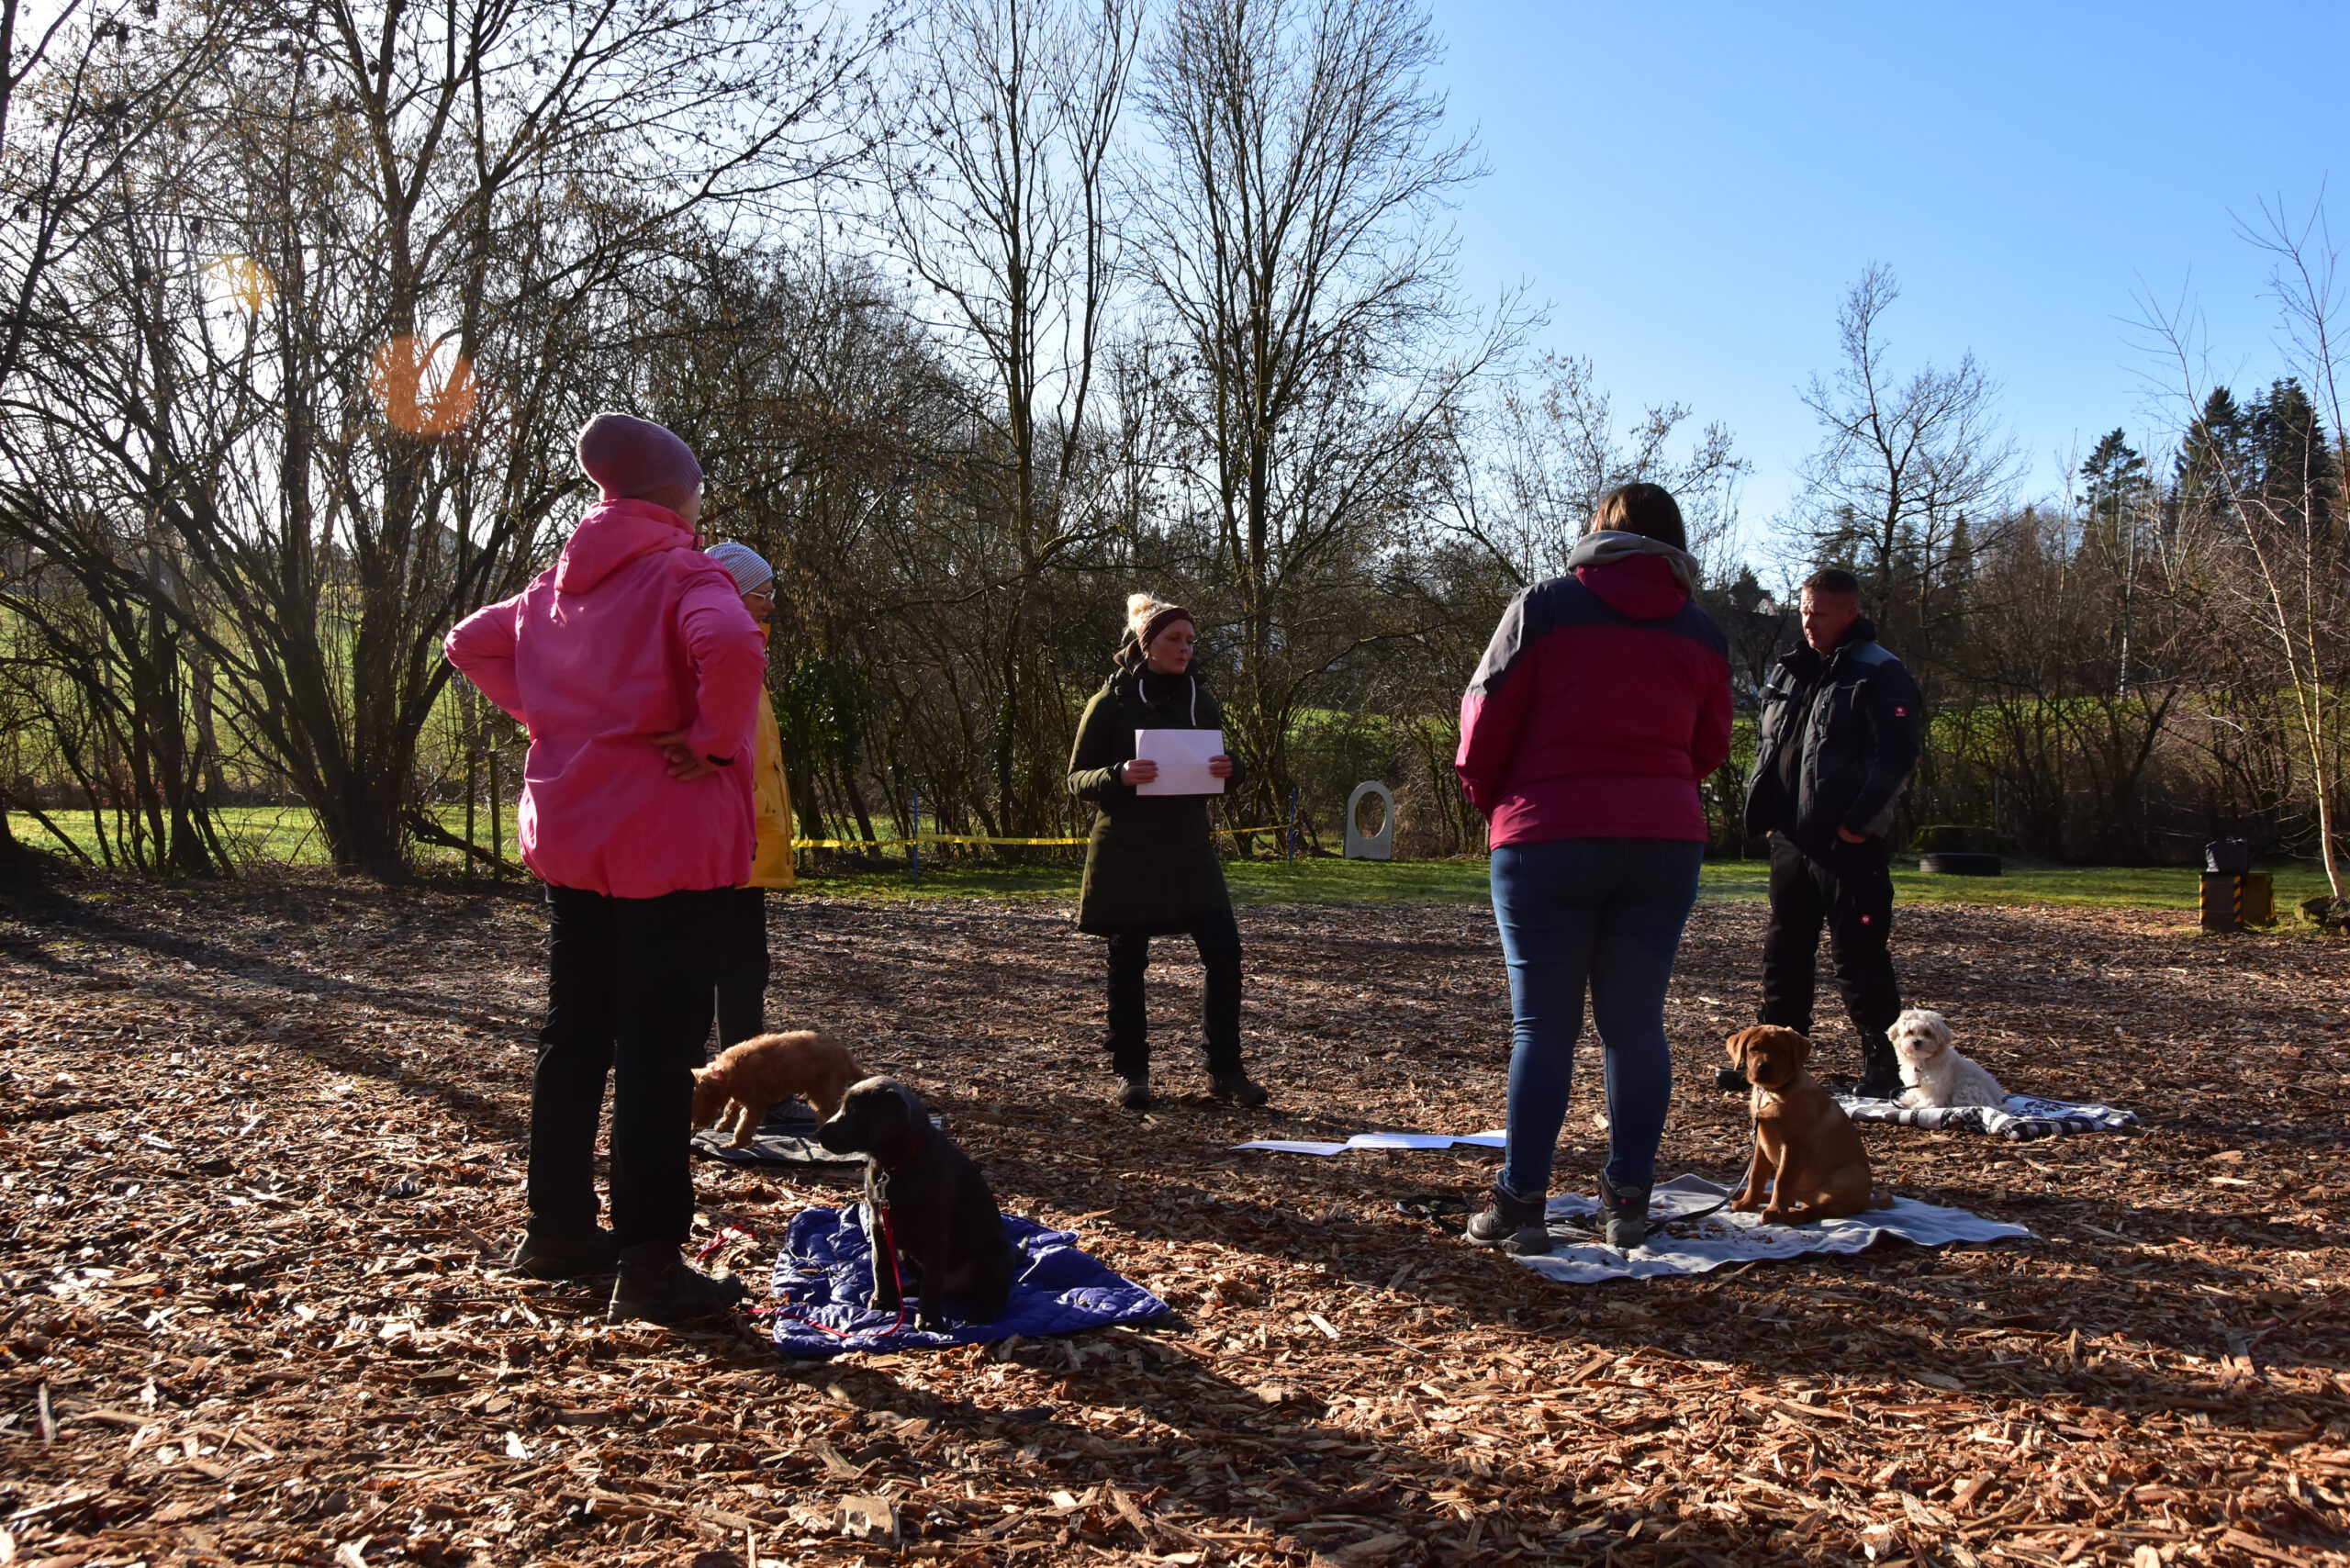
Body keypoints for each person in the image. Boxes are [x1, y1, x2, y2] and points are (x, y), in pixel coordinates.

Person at [445, 411, 767, 1324]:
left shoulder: (556, 586)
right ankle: (652, 1263)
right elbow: (735, 646)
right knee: (658, 1054)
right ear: (678, 495)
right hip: (668, 844)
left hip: (574, 840)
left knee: (573, 1034)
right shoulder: (683, 573)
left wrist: (558, 719)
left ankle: (553, 1231)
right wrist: (709, 743)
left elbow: (468, 641)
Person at [1453, 484, 1732, 1254]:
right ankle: (1630, 1199)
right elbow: (1709, 745)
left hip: (1546, 835)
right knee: (1635, 1023)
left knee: (1541, 1025)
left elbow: (1483, 719)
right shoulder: (1703, 631)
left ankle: (1521, 1201)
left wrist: (1499, 804)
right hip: (1663, 840)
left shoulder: (1543, 606)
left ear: (1597, 533)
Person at [1066, 593, 1268, 1113]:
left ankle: (1224, 1071)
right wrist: (1118, 775)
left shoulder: (1202, 699)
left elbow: (1223, 766)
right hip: (1127, 853)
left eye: (1190, 640)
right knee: (1127, 961)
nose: (1185, 648)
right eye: (1174, 639)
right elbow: (1075, 779)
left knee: (1224, 954)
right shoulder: (1107, 702)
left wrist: (1233, 769)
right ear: (1145, 643)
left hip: (1188, 851)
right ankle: (1132, 1074)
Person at [1729, 566, 1924, 1102]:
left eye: (1819, 611)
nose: (1808, 621)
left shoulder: (1881, 673)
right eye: (1803, 609)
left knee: (1858, 956)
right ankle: (1772, 1059)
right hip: (1790, 839)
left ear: (1850, 612)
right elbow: (1771, 747)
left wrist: (1859, 823)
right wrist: (1766, 809)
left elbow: (1899, 755)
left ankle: (1885, 1065)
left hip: (1848, 844)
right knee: (1783, 951)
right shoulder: (1789, 670)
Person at [701, 541, 795, 1053]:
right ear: (734, 593)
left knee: (744, 968)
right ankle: (735, 1084)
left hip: (745, 835)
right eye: (764, 593)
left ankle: (739, 1080)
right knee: (732, 968)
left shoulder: (748, 654)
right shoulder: (723, 654)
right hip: (728, 837)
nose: (772, 603)